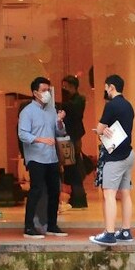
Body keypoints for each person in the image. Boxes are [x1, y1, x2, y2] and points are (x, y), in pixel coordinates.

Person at [17, 76, 68, 237]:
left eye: (48, 90)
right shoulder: (27, 112)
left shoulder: (52, 110)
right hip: (36, 158)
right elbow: (23, 134)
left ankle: (52, 225)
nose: (47, 93)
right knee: (36, 191)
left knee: (54, 191)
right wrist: (40, 139)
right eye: (43, 90)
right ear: (35, 93)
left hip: (51, 158)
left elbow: (60, 132)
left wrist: (59, 121)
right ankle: (28, 226)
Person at [89, 74, 135, 246]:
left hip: (115, 156)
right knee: (125, 193)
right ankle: (125, 231)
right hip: (129, 153)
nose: (105, 90)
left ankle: (109, 233)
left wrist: (99, 130)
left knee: (109, 194)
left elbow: (100, 128)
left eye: (106, 87)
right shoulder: (128, 106)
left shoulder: (111, 106)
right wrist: (104, 129)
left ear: (111, 87)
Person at [59, 75, 89, 209]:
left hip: (73, 137)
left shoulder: (78, 100)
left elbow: (73, 111)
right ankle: (77, 196)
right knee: (71, 167)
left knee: (74, 167)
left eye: (66, 86)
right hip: (69, 136)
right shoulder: (71, 100)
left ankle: (79, 197)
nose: (64, 89)